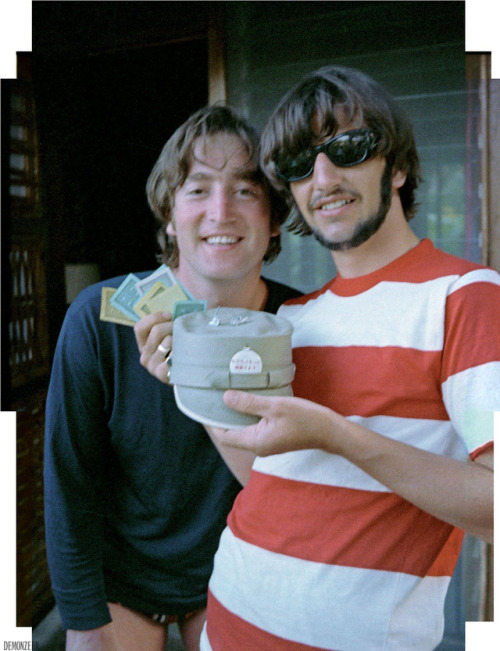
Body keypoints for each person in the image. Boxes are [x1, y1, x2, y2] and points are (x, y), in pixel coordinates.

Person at [198, 67, 497, 650]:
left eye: (348, 148)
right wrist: (196, 392)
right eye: (300, 165)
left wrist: (339, 435)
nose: (324, 178)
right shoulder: (293, 319)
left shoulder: (465, 296)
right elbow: (266, 477)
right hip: (225, 626)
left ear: (400, 166)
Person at [43, 104, 301, 651]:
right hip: (123, 581)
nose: (220, 211)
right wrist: (84, 623)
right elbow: (70, 483)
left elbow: (300, 489)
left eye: (246, 191)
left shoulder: (301, 324)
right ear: (168, 212)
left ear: (274, 217)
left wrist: (197, 382)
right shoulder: (98, 317)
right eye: (198, 189)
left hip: (240, 572)